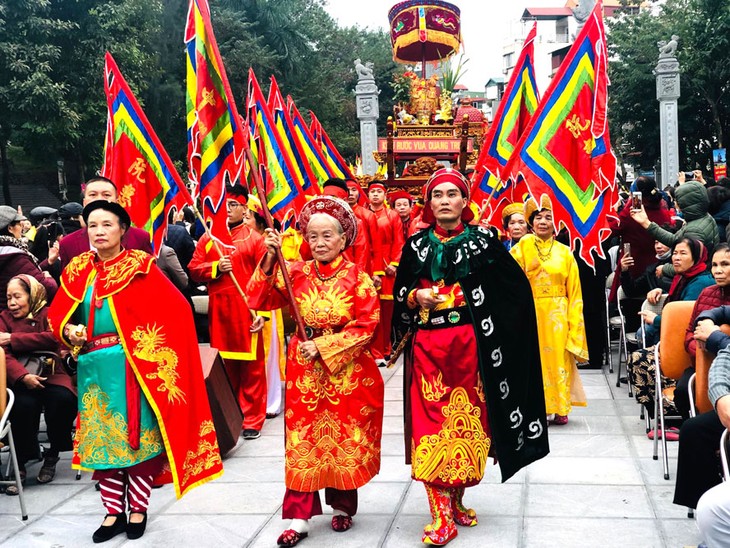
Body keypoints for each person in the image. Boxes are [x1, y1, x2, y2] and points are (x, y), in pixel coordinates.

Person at [48, 200, 223, 542]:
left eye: (106, 225)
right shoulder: (77, 269)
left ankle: (138, 508)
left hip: (134, 369)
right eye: (92, 225)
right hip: (93, 369)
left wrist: (148, 349)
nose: (98, 231)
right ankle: (113, 512)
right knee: (104, 443)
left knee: (138, 443)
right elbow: (58, 315)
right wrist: (69, 332)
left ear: (123, 230)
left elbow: (177, 310)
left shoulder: (140, 267)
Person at [392, 168, 548, 546]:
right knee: (432, 426)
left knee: (470, 424)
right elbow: (399, 294)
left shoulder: (485, 242)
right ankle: (441, 514)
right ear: (428, 204)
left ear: (464, 202)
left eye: (452, 194)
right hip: (430, 347)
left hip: (473, 347)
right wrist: (416, 297)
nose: (445, 201)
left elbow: (514, 293)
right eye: (437, 195)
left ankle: (457, 499)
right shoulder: (415, 246)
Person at [248, 195, 384, 548]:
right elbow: (257, 298)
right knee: (302, 440)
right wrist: (268, 255)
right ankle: (299, 515)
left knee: (342, 435)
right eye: (313, 237)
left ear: (343, 239)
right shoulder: (294, 272)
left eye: (327, 236)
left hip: (347, 371)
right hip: (305, 371)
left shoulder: (359, 278)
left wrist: (324, 345)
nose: (320, 243)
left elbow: (368, 325)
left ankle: (342, 506)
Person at [188, 185, 268, 440]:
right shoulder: (208, 239)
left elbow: (266, 277)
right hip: (220, 311)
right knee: (225, 366)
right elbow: (193, 268)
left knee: (252, 368)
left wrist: (262, 313)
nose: (228, 210)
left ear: (245, 209)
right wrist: (214, 268)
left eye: (233, 205)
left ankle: (253, 417)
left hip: (247, 309)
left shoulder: (255, 239)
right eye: (224, 204)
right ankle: (231, 413)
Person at [510, 196, 588, 424]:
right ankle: (537, 407)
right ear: (531, 222)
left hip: (558, 313)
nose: (543, 222)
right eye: (538, 217)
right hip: (530, 310)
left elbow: (574, 291)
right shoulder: (522, 247)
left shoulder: (565, 252)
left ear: (557, 223)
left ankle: (560, 406)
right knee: (533, 359)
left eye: (548, 217)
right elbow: (508, 280)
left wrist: (575, 323)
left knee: (558, 359)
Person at [627, 237, 715, 431]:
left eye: (683, 253)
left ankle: (673, 417)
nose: (676, 258)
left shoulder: (700, 283)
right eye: (675, 253)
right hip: (680, 342)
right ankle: (665, 416)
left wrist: (656, 320)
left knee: (641, 359)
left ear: (697, 258)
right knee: (638, 356)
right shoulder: (683, 278)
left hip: (692, 349)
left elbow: (685, 322)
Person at [0, 275, 77, 495]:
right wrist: (23, 376)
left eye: (17, 296)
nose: (12, 303)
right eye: (8, 298)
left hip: (52, 373)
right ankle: (21, 463)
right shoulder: (3, 318)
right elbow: (2, 354)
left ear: (32, 295)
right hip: (20, 376)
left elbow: (53, 337)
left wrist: (12, 339)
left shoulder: (48, 314)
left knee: (62, 399)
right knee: (22, 405)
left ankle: (53, 453)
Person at [55, 176, 152, 270]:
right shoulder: (68, 244)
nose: (99, 199)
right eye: (93, 195)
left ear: (116, 202)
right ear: (84, 203)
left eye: (106, 195)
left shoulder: (140, 238)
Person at [630, 179, 719, 277]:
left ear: (685, 203)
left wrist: (665, 269)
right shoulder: (704, 217)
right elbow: (677, 240)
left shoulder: (695, 229)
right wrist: (646, 223)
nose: (675, 203)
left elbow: (690, 264)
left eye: (677, 200)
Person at [368, 181, 404, 363]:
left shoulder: (392, 215)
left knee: (386, 313)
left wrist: (395, 264)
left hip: (387, 267)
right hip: (368, 266)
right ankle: (373, 351)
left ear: (385, 195)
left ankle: (386, 348)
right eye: (372, 192)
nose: (375, 195)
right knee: (370, 311)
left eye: (378, 192)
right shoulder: (364, 215)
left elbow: (399, 241)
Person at [0, 205, 57, 309]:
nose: (22, 227)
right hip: (16, 318)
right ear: (10, 228)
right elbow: (47, 289)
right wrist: (48, 278)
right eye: (19, 224)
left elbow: (25, 271)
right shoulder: (14, 257)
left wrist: (48, 262)